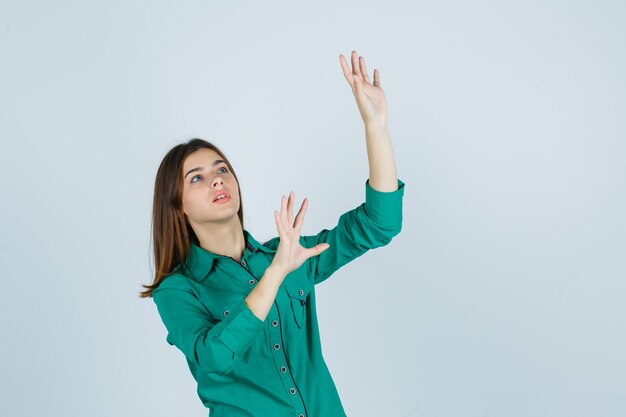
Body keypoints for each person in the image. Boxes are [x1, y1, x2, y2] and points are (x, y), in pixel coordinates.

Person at [139, 50, 406, 417]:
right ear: (177, 206)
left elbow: (379, 224)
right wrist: (276, 272)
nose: (217, 178)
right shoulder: (178, 290)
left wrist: (375, 126)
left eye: (221, 168)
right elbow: (214, 356)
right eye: (196, 177)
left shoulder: (288, 252)